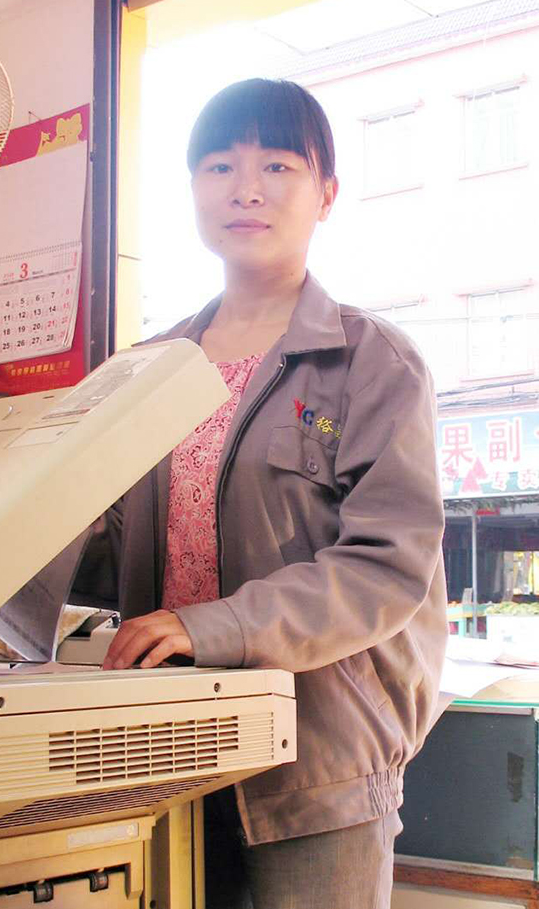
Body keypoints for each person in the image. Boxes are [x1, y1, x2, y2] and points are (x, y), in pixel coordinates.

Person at [99, 78, 447, 909]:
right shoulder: (144, 369)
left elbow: (385, 567)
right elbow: (105, 546)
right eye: (219, 165)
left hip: (317, 757)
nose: (245, 188)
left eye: (278, 165)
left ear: (326, 194)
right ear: (193, 190)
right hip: (166, 747)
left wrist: (209, 626)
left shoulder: (371, 360)